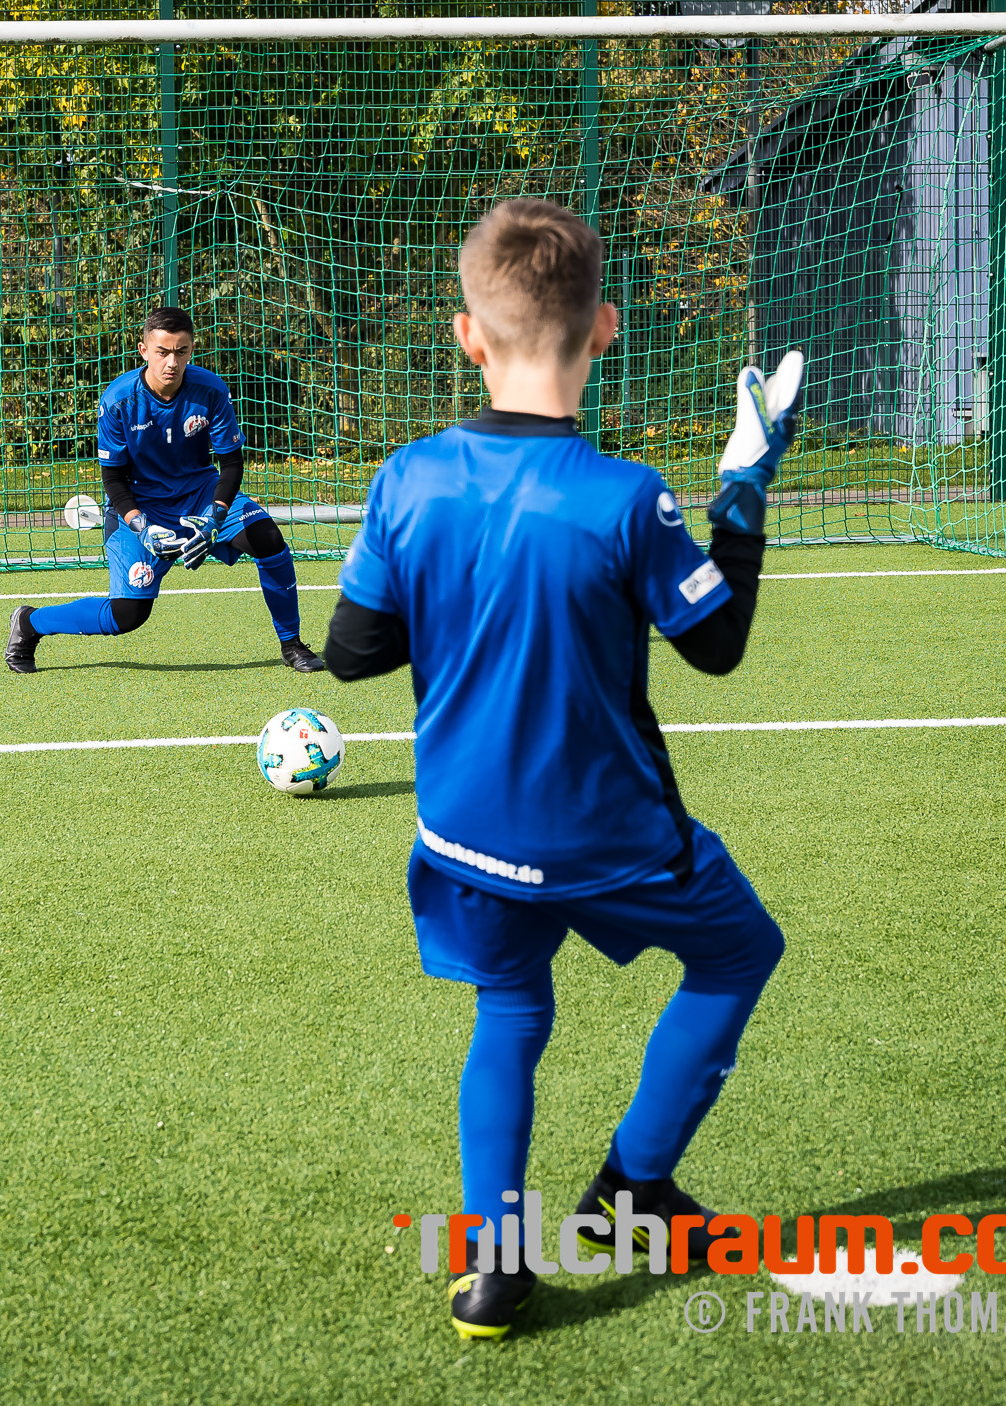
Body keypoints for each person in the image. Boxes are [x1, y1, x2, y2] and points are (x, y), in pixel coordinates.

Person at [323, 199, 803, 1341]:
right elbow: (717, 645)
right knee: (741, 951)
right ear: (606, 330)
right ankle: (632, 1188)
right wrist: (743, 485)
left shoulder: (410, 478)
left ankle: (493, 1269)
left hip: (464, 835)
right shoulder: (629, 496)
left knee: (508, 1005)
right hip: (610, 835)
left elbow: (349, 655)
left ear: (466, 336)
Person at [4, 306, 325, 674]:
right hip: (141, 505)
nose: (172, 362)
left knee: (267, 537)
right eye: (162, 352)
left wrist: (215, 518)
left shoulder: (211, 391)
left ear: (192, 350)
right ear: (143, 350)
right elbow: (113, 480)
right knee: (128, 615)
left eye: (181, 351)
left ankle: (292, 644)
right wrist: (142, 525)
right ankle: (30, 622)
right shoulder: (118, 400)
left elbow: (231, 464)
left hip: (199, 493)